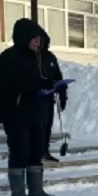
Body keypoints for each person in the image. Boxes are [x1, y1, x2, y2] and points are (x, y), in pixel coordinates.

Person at [0, 18, 58, 196]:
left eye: (39, 39)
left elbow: (53, 77)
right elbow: (11, 85)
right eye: (34, 39)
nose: (38, 42)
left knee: (37, 150)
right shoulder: (8, 57)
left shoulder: (43, 57)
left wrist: (57, 87)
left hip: (38, 111)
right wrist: (37, 85)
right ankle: (18, 194)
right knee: (20, 150)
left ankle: (36, 191)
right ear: (23, 38)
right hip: (16, 112)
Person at [39, 31, 67, 163]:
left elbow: (58, 76)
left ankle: (45, 151)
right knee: (38, 125)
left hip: (49, 98)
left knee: (47, 125)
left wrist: (62, 94)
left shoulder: (51, 57)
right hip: (35, 98)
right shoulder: (32, 57)